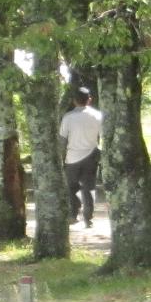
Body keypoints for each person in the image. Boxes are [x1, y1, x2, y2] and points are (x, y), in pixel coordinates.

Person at [59, 87, 104, 227]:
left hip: (72, 157)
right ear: (89, 100)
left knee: (71, 187)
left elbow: (62, 139)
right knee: (89, 187)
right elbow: (104, 137)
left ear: (74, 101)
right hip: (91, 155)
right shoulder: (98, 116)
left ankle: (73, 214)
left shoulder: (68, 117)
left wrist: (61, 156)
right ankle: (88, 218)